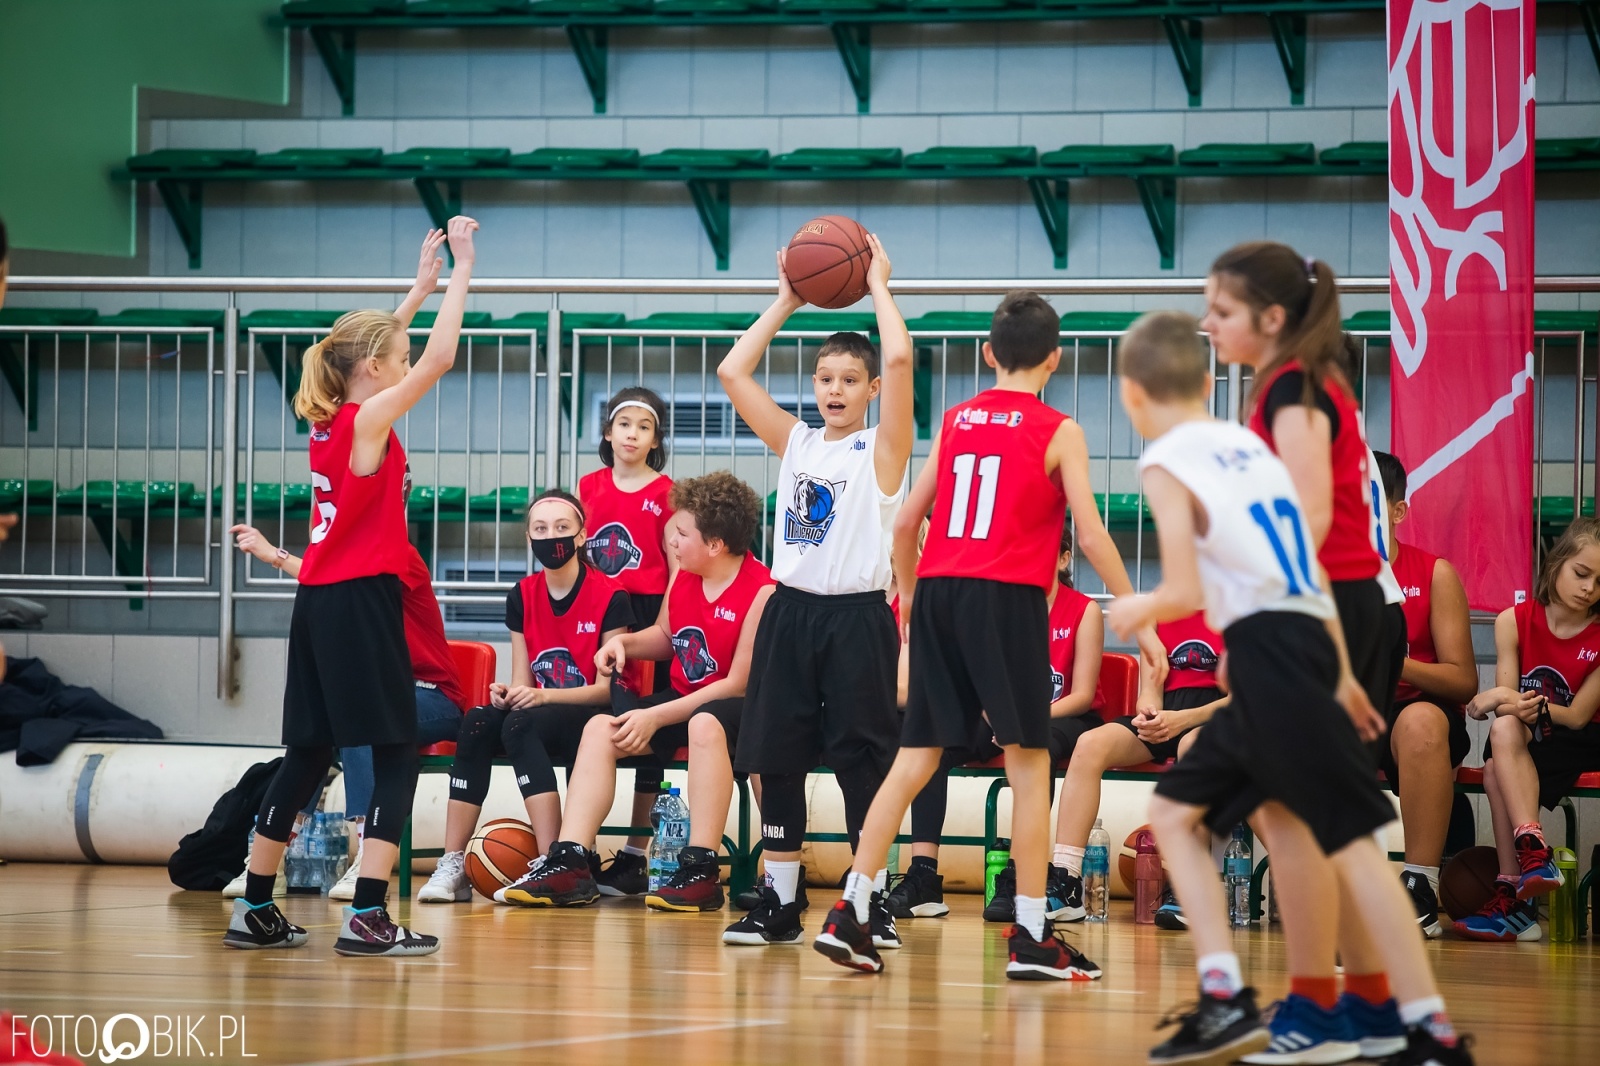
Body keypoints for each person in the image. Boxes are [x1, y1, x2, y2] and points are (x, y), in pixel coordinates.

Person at [1107, 310, 1472, 1066]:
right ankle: (1368, 1011)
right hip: (1322, 632)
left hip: (1285, 652)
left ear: (1129, 394)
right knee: (1295, 826)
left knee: (1209, 818)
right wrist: (1338, 663)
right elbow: (1314, 559)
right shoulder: (1249, 445)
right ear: (1207, 382)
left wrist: (1138, 609)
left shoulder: (1171, 458)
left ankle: (1243, 1001)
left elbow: (1179, 584)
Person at [814, 289, 1163, 981]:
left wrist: (911, 599)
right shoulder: (1060, 430)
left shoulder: (956, 419)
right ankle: (1033, 936)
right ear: (1055, 359)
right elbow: (1089, 535)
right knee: (1029, 766)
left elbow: (907, 524)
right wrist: (1139, 615)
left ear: (987, 353)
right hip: (1006, 598)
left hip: (940, 586)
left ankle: (852, 908)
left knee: (915, 757)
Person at [222, 218, 477, 958]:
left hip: (318, 603)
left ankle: (256, 905)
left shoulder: (332, 414)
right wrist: (461, 272)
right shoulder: (370, 417)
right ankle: (369, 914)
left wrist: (416, 291)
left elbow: (372, 351)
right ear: (373, 369)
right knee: (397, 753)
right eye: (391, 358)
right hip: (362, 601)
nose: (402, 366)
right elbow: (437, 358)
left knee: (308, 753)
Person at [1205, 241, 1414, 1060]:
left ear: (1271, 318)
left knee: (1291, 814)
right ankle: (1362, 1005)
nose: (1208, 324)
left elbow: (1311, 518)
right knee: (1304, 815)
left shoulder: (1294, 385)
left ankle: (1318, 1009)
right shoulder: (1305, 379)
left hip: (1324, 605)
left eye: (1221, 311)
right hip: (1345, 605)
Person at [716, 236, 912, 949]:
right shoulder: (799, 442)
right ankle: (779, 901)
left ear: (871, 390)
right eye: (825, 378)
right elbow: (733, 372)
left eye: (848, 380)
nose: (834, 390)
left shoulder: (884, 448)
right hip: (790, 613)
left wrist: (880, 286)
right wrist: (786, 301)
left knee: (865, 762)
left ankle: (867, 901)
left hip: (859, 618)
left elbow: (898, 356)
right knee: (777, 755)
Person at [494, 472, 775, 911]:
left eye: (681, 533)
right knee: (600, 729)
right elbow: (666, 635)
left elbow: (736, 683)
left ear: (716, 544)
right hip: (683, 704)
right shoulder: (685, 574)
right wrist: (622, 642)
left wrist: (657, 716)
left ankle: (701, 869)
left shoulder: (762, 590)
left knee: (703, 723)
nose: (672, 543)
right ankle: (570, 861)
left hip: (737, 711)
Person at [220, 531, 468, 901]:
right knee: (316, 732)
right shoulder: (336, 573)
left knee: (363, 720)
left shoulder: (396, 552)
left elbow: (336, 580)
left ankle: (369, 861)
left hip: (432, 696)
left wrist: (276, 556)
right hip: (381, 695)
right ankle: (275, 855)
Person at [414, 490, 635, 903]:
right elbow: (521, 678)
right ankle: (453, 863)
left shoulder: (611, 595)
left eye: (561, 528)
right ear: (529, 538)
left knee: (520, 722)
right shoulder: (522, 594)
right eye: (540, 529)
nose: (551, 536)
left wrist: (541, 697)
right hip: (535, 711)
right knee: (478, 720)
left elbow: (607, 689)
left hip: (587, 714)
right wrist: (506, 693)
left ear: (582, 536)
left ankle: (556, 861)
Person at [887, 521, 1105, 925]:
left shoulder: (1083, 610)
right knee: (933, 745)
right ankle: (923, 875)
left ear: (1063, 558)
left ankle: (1019, 873)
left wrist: (1016, 717)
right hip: (999, 715)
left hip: (1063, 718)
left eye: (1044, 552)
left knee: (1034, 747)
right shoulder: (1004, 607)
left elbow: (1082, 696)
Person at [1455, 518, 1600, 942]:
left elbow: (1575, 716)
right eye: (1581, 573)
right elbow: (1509, 695)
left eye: (1599, 581)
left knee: (1501, 746)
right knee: (1501, 740)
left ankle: (1513, 896)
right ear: (1555, 565)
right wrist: (1501, 698)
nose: (1589, 588)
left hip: (1582, 737)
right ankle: (1533, 855)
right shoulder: (1512, 621)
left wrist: (1499, 698)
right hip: (1528, 735)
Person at [1045, 608, 1227, 930]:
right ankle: (1066, 881)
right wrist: (1148, 712)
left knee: (1191, 747)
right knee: (1089, 745)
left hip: (1213, 720)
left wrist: (1184, 719)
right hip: (1165, 720)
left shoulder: (1236, 607)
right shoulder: (1157, 613)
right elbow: (1150, 690)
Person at [1371, 451, 1478, 938]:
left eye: (1370, 500)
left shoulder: (1434, 573)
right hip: (1356, 711)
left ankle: (1420, 885)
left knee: (1420, 723)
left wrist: (1396, 662)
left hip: (1419, 713)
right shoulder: (1319, 578)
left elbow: (1462, 681)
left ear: (1398, 511)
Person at [578, 387, 679, 894]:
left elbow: (677, 565)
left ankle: (638, 853)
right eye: (624, 424)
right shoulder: (588, 486)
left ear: (655, 439)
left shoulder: (666, 492)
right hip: (600, 615)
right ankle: (580, 849)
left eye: (644, 426)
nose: (632, 434)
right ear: (607, 432)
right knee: (597, 719)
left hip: (647, 616)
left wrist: (662, 624)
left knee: (646, 732)